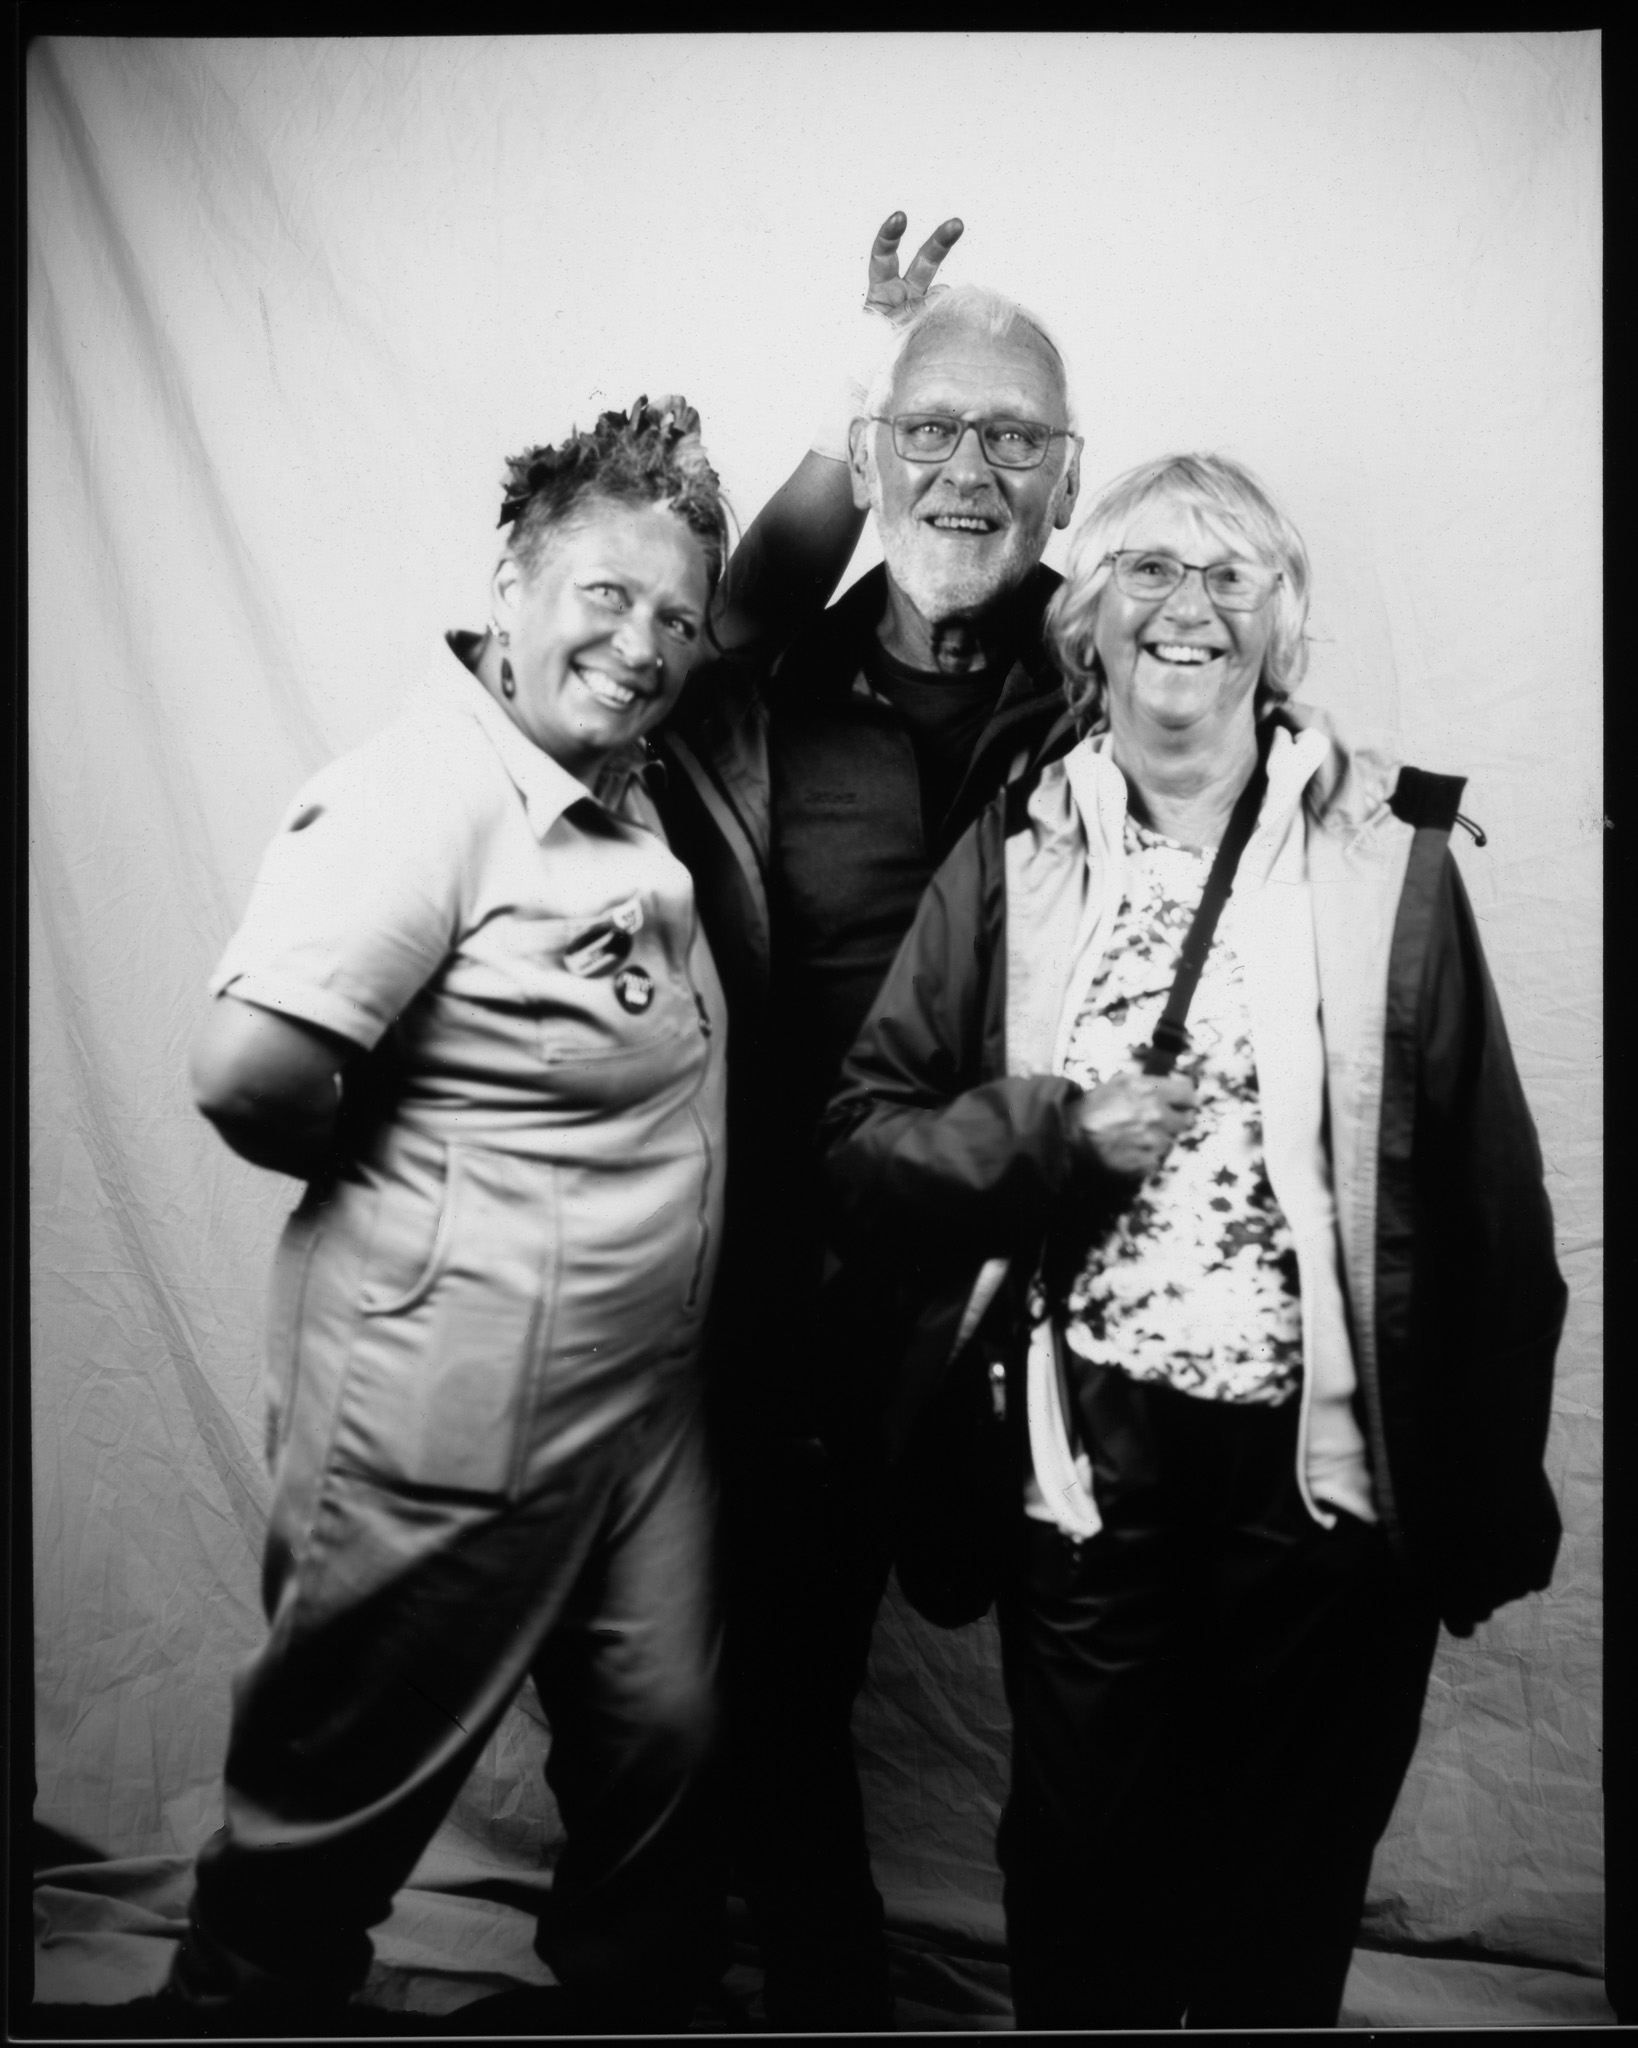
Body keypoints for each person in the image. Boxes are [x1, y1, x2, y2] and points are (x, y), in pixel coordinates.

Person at [818, 452, 1566, 2029]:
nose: (1190, 608)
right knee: (1084, 1877)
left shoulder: (1386, 858)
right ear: (1087, 618)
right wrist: (1051, 1138)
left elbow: (1495, 1218)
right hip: (1088, 1467)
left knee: (1283, 1881)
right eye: (1152, 569)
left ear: (1278, 630)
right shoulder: (1018, 851)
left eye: (1233, 579)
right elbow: (865, 1144)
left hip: (1325, 1488)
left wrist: (1483, 1495)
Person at [170, 400, 751, 2033]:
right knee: (339, 1784)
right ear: (511, 582)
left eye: (674, 620)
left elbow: (748, 594)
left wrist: (858, 409)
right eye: (604, 599)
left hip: (640, 1401)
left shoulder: (616, 772)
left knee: (668, 1734)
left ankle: (619, 2007)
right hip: (447, 1397)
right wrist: (420, 1173)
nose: (642, 646)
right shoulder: (420, 792)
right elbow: (244, 1070)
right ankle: (240, 2007)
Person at [655, 245, 1084, 2028]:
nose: (967, 474)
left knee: (1090, 1696)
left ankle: (1093, 2000)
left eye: (1011, 440)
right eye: (930, 432)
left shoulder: (1115, 660)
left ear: (1070, 467)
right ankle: (829, 2004)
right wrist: (859, 374)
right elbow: (745, 575)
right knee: (770, 1694)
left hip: (1046, 1289)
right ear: (869, 445)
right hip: (795, 1286)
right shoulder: (764, 675)